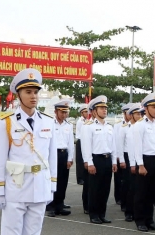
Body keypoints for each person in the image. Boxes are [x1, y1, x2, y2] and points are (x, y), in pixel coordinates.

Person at [0, 68, 54, 235]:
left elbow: (52, 158)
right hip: (16, 186)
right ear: (18, 95)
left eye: (36, 92)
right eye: (28, 92)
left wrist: (52, 186)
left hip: (39, 186)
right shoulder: (6, 122)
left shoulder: (47, 122)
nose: (33, 96)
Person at [130, 93, 155, 232]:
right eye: (153, 107)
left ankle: (149, 220)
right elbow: (137, 146)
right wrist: (140, 164)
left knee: (152, 193)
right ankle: (140, 220)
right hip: (145, 161)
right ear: (146, 108)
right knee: (141, 193)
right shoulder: (140, 125)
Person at [80, 95, 114, 223]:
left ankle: (102, 214)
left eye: (105, 108)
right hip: (96, 159)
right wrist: (89, 163)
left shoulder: (110, 126)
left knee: (105, 189)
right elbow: (86, 146)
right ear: (94, 111)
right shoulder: (88, 126)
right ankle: (94, 214)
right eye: (101, 108)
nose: (104, 110)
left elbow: (113, 145)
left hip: (107, 159)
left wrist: (114, 160)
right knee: (95, 189)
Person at [46, 98, 74, 216]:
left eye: (66, 112)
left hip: (64, 154)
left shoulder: (68, 125)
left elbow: (71, 143)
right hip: (53, 154)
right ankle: (51, 205)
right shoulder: (50, 124)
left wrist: (70, 158)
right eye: (62, 112)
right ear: (56, 111)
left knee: (63, 181)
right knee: (52, 180)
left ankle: (60, 204)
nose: (64, 114)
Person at [74, 105, 92, 214]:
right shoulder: (81, 122)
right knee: (81, 164)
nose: (87, 113)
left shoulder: (88, 122)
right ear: (82, 113)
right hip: (81, 142)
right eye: (85, 112)